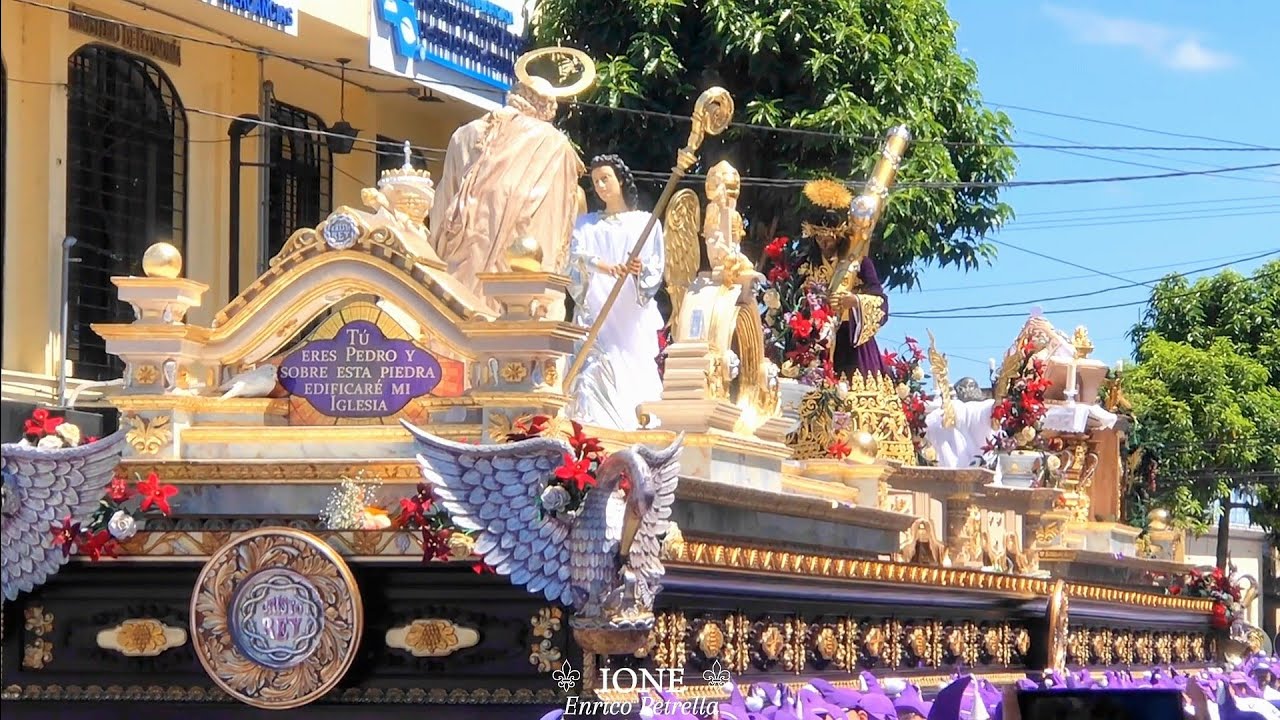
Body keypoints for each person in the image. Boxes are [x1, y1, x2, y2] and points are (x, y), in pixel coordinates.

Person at [428, 75, 585, 315]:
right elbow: (553, 228)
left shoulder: (465, 134)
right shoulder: (556, 146)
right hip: (517, 285)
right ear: (548, 108)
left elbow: (440, 214)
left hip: (457, 276)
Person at [565, 155, 665, 431]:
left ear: (620, 179)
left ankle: (632, 422)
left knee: (629, 364)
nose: (600, 186)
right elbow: (573, 257)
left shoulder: (644, 223)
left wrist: (637, 269)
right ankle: (589, 428)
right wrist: (604, 266)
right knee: (592, 367)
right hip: (597, 304)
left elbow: (654, 266)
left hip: (628, 311)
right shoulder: (585, 225)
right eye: (596, 181)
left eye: (605, 178)